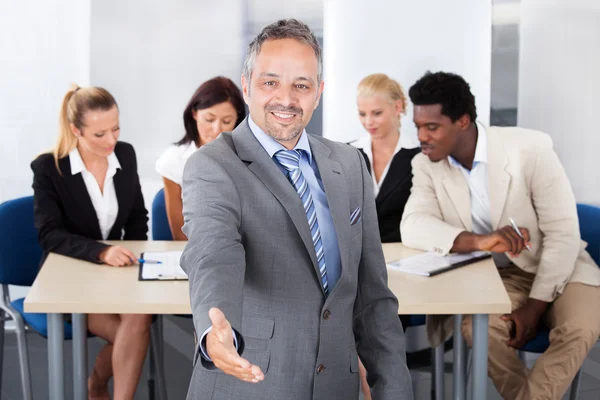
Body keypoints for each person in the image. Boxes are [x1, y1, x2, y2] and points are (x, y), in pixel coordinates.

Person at [180, 19, 412, 400]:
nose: (286, 99)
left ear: (318, 93)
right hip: (251, 386)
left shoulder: (350, 164)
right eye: (270, 82)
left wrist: (395, 392)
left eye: (301, 85)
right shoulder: (214, 165)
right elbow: (212, 253)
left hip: (335, 386)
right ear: (246, 86)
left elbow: (373, 299)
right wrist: (214, 329)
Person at [401, 71, 600, 400]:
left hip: (561, 266)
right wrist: (481, 240)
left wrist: (535, 306)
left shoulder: (530, 149)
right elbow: (414, 223)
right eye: (418, 126)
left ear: (463, 121)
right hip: (499, 276)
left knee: (581, 326)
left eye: (432, 127)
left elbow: (563, 233)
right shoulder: (426, 164)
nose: (422, 136)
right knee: (478, 331)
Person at [31, 85, 152, 400]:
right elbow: (49, 234)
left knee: (138, 317)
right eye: (100, 134)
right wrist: (102, 252)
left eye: (116, 129)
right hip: (71, 277)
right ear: (76, 130)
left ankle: (100, 388)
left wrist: (135, 265)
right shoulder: (49, 168)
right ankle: (97, 385)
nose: (112, 140)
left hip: (116, 275)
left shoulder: (124, 153)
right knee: (134, 330)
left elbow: (137, 217)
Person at [155, 76, 246, 240]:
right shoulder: (173, 161)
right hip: (196, 251)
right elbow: (180, 236)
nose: (216, 129)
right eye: (209, 119)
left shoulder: (248, 159)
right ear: (195, 114)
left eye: (227, 121)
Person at [352, 73, 420, 243]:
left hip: (403, 255)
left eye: (377, 113)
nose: (368, 122)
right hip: (355, 260)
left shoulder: (419, 158)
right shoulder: (347, 154)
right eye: (362, 114)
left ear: (397, 107)